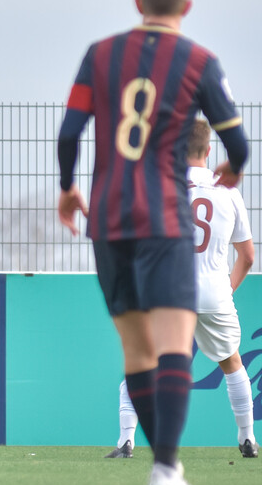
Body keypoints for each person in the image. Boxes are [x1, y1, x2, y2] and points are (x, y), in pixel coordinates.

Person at [57, 0, 249, 485]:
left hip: (109, 218)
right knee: (172, 346)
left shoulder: (100, 55)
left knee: (136, 350)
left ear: (138, 4)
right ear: (185, 8)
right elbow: (237, 144)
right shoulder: (199, 60)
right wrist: (232, 169)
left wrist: (69, 187)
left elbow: (70, 131)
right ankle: (165, 467)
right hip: (163, 218)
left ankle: (161, 462)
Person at [107, 119, 256, 460]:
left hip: (169, 292)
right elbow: (247, 256)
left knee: (143, 361)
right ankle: (247, 440)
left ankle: (126, 442)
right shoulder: (229, 192)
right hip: (214, 293)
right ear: (207, 151)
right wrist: (226, 289)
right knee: (232, 362)